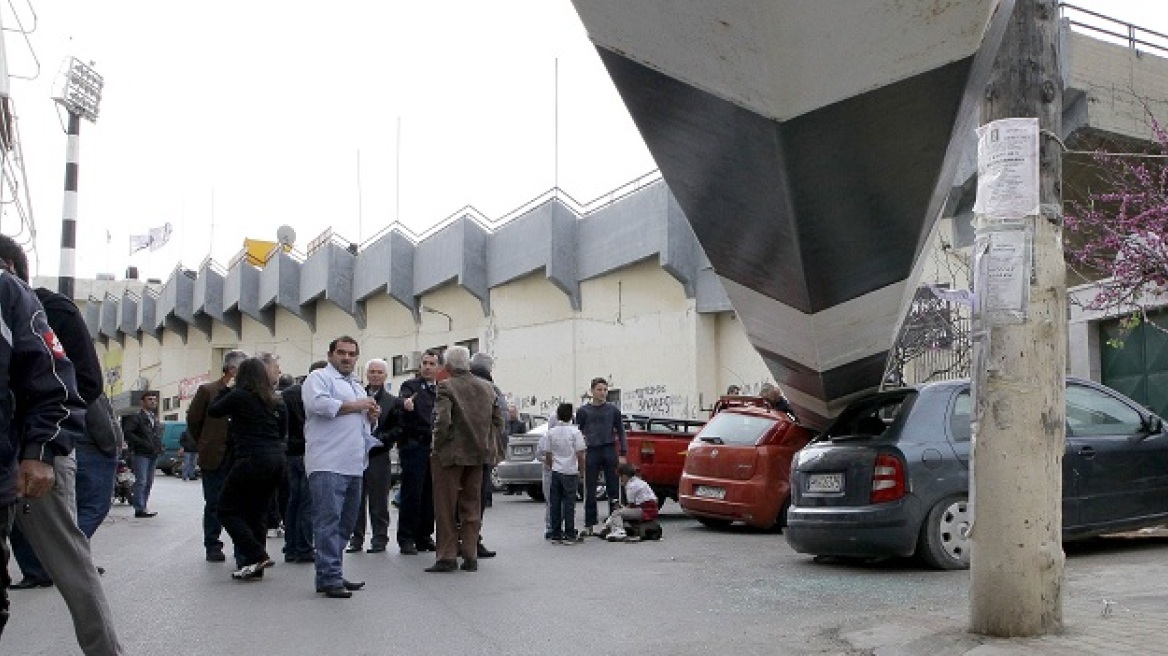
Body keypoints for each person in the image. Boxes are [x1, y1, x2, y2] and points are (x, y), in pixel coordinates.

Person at [0, 238, 123, 654]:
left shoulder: (47, 307)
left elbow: (81, 382)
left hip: (38, 453)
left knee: (71, 564)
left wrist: (39, 447)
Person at [303, 336, 381, 598]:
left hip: (354, 464)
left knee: (346, 524)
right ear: (330, 354)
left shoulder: (357, 386)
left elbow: (363, 425)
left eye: (351, 354)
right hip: (327, 463)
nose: (347, 358)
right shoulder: (318, 378)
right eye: (341, 353)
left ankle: (332, 571)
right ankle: (329, 576)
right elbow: (319, 405)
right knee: (328, 521)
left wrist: (371, 417)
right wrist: (358, 406)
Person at [207, 355, 289, 581]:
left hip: (251, 458)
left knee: (225, 508)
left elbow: (214, 410)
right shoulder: (275, 400)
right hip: (276, 459)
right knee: (257, 512)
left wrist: (228, 388)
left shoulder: (239, 396)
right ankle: (256, 567)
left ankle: (255, 553)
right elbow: (283, 431)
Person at [425, 346, 503, 573]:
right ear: (467, 364)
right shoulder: (488, 387)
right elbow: (499, 421)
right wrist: (487, 443)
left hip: (450, 455)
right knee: (472, 505)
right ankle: (470, 554)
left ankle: (447, 556)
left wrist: (436, 446)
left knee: (446, 507)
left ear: (447, 365)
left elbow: (442, 421)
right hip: (478, 455)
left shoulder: (446, 386)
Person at [188, 349, 248, 562]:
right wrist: (206, 442)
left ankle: (241, 546)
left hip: (240, 456)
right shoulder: (208, 391)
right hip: (215, 456)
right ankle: (212, 544)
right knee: (214, 502)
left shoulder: (246, 392)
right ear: (231, 370)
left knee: (240, 504)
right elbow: (194, 422)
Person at [347, 358, 400, 554]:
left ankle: (379, 538)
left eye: (379, 372)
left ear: (385, 376)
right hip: (357, 455)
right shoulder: (356, 396)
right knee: (356, 500)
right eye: (372, 372)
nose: (375, 375)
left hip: (379, 455)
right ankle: (356, 538)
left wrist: (380, 439)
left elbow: (398, 429)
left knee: (379, 501)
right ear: (366, 374)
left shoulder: (392, 401)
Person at [395, 348, 441, 555]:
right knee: (412, 493)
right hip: (415, 445)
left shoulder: (441, 389)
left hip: (435, 448)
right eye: (425, 363)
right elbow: (403, 402)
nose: (428, 367)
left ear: (438, 367)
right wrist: (406, 404)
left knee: (430, 494)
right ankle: (406, 538)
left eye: (432, 364)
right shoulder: (411, 386)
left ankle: (424, 535)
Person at [282, 361, 326, 564]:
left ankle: (290, 547)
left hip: (291, 452)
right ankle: (305, 548)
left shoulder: (288, 394)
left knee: (293, 501)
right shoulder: (319, 393)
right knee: (308, 503)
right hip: (310, 451)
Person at [468, 351, 510, 558]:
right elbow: (501, 421)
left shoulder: (453, 384)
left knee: (459, 500)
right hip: (483, 452)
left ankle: (458, 542)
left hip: (459, 453)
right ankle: (473, 541)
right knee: (477, 499)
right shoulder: (491, 388)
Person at [576, 377, 627, 536]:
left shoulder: (613, 410)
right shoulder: (583, 411)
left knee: (613, 488)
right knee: (589, 489)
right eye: (599, 390)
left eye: (605, 390)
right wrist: (579, 455)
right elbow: (577, 433)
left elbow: (621, 431)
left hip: (609, 449)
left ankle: (614, 523)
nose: (603, 393)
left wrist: (623, 453)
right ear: (592, 391)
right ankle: (589, 524)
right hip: (591, 450)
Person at [536, 403, 586, 545]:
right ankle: (569, 533)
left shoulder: (551, 432)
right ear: (572, 416)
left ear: (557, 416)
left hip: (556, 471)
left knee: (555, 503)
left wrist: (553, 467)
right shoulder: (575, 432)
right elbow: (580, 454)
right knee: (569, 503)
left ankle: (556, 533)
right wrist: (581, 471)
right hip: (570, 471)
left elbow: (548, 454)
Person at [121, 392, 164, 518]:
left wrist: (159, 446)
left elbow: (156, 435)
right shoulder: (136, 417)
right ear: (142, 402)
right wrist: (143, 443)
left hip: (153, 454)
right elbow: (128, 433)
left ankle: (143, 506)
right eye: (149, 399)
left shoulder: (154, 418)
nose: (152, 402)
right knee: (142, 481)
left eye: (154, 400)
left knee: (149, 481)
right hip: (141, 453)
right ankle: (139, 508)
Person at [601, 462, 659, 543]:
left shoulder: (630, 486)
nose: (620, 480)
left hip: (644, 510)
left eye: (620, 477)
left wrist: (621, 508)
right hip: (650, 509)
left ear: (624, 476)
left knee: (616, 513)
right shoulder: (639, 481)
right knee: (621, 512)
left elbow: (631, 505)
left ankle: (619, 531)